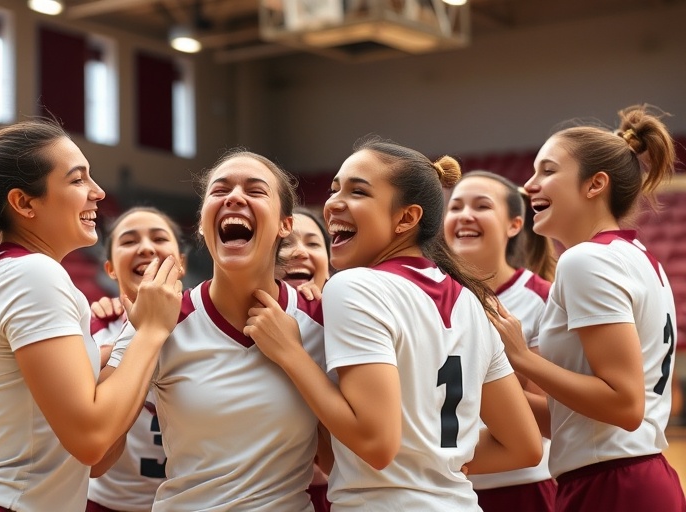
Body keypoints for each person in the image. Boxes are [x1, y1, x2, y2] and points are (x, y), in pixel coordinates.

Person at [246, 135, 544, 510]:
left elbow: (376, 445)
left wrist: (291, 353)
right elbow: (525, 446)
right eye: (335, 189)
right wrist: (434, 462)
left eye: (358, 192)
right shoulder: (473, 301)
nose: (334, 203)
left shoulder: (355, 286)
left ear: (406, 217)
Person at [0, 119, 183, 512]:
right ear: (24, 203)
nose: (98, 192)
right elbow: (90, 440)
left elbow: (94, 455)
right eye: (78, 180)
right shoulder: (32, 275)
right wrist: (148, 332)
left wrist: (123, 341)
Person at [489, 104, 686, 511]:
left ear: (595, 184)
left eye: (547, 171)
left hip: (614, 485)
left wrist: (522, 358)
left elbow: (624, 406)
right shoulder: (632, 255)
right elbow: (570, 421)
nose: (528, 185)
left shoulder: (587, 261)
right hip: (624, 477)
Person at [107, 149, 327, 511]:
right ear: (201, 222)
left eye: (255, 191)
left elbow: (339, 460)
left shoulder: (320, 320)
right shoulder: (161, 317)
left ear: (285, 225)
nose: (235, 197)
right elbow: (97, 455)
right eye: (219, 190)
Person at [444, 170, 557, 511]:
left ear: (514, 224)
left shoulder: (541, 298)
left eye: (481, 206)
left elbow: (549, 418)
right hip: (443, 487)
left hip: (521, 486)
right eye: (455, 207)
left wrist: (482, 380)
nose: (465, 215)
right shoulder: (427, 293)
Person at [87, 206, 187, 512]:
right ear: (110, 269)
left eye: (159, 238)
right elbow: (94, 459)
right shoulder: (91, 332)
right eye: (129, 241)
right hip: (103, 503)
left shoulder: (208, 326)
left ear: (181, 262)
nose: (145, 247)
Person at [276, 205, 333, 512]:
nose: (299, 252)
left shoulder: (351, 322)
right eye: (286, 243)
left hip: (340, 491)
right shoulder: (241, 322)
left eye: (313, 243)